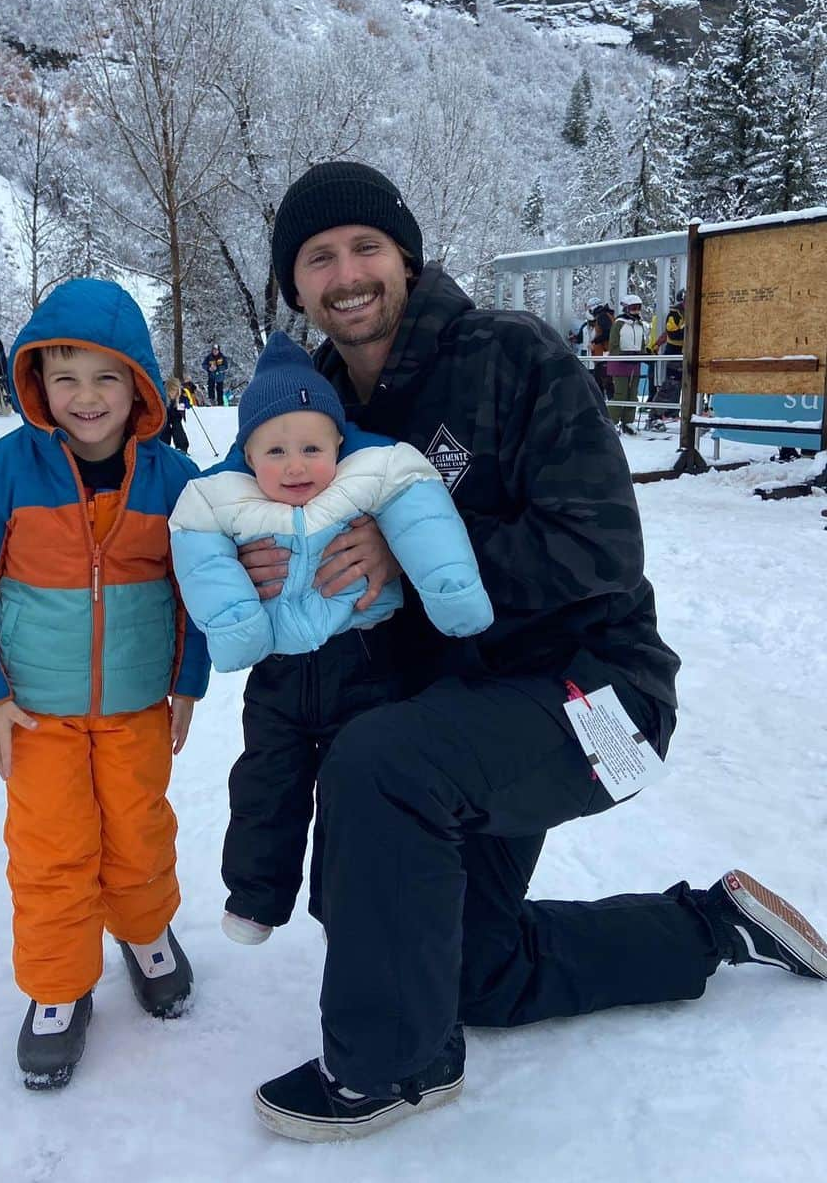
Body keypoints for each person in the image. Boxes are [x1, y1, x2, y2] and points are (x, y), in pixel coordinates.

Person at [235, 161, 826, 1143]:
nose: (347, 273)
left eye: (366, 248)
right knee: (460, 967)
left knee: (382, 767)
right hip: (465, 715)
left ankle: (395, 1062)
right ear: (294, 287)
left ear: (406, 258)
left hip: (603, 701)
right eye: (318, 257)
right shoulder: (314, 424)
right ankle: (707, 927)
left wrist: (415, 563)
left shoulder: (510, 358)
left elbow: (598, 551)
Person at [0, 277, 211, 1091]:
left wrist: (186, 682)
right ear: (36, 385)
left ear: (140, 387)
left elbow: (198, 586)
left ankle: (145, 931)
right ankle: (57, 988)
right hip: (36, 716)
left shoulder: (173, 480)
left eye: (107, 377)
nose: (86, 398)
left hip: (135, 709)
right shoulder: (0, 473)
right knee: (52, 850)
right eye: (65, 378)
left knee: (138, 828)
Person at [169, 331, 492, 945]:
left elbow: (424, 517)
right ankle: (255, 894)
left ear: (339, 443)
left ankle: (340, 902)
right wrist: (239, 622)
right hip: (278, 668)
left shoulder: (368, 477)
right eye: (276, 450)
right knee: (267, 781)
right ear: (248, 454)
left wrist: (450, 590)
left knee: (356, 789)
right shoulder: (224, 500)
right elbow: (198, 553)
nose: (295, 466)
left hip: (363, 661)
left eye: (312, 447)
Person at [607, 292, 647, 434]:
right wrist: (622, 354)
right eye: (633, 307)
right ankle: (612, 421)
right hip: (621, 362)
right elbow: (613, 344)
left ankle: (628, 421)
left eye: (638, 307)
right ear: (626, 309)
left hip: (634, 363)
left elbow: (641, 343)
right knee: (621, 393)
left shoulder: (639, 325)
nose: (636, 311)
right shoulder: (619, 324)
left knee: (632, 394)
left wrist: (644, 354)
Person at [160, 376, 190, 453]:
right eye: (172, 390)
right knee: (165, 429)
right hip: (164, 416)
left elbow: (185, 406)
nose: (174, 392)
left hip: (176, 415)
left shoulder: (181, 396)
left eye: (176, 390)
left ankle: (182, 447)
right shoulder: (162, 395)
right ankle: (164, 446)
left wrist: (187, 402)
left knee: (177, 427)